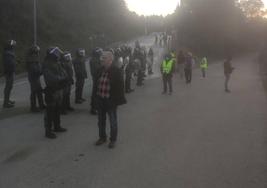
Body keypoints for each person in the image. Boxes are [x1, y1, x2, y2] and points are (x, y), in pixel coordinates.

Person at [94, 51, 126, 149]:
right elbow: (96, 85)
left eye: (104, 58)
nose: (101, 60)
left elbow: (120, 87)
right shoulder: (99, 70)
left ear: (110, 60)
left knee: (113, 121)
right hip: (100, 99)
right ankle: (102, 137)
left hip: (110, 100)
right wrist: (95, 99)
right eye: (101, 58)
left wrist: (116, 101)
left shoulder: (116, 71)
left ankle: (113, 140)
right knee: (101, 121)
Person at [43, 47, 68, 139]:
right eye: (56, 53)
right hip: (51, 90)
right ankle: (48, 131)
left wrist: (61, 78)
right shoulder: (46, 64)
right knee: (50, 111)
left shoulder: (57, 63)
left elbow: (64, 73)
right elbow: (51, 78)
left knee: (57, 109)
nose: (57, 55)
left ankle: (57, 126)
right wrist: (61, 78)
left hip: (58, 89)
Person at [26, 45, 45, 112]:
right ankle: (33, 107)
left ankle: (41, 105)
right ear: (34, 52)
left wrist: (41, 70)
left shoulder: (34, 58)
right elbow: (34, 70)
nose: (38, 53)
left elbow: (38, 67)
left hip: (36, 77)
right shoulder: (31, 59)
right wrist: (42, 71)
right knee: (34, 92)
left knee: (39, 91)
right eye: (37, 52)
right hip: (33, 77)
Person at [2, 40, 16, 108]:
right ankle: (5, 103)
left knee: (9, 87)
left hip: (10, 71)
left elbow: (11, 63)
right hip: (9, 72)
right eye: (12, 46)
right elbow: (8, 64)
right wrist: (10, 71)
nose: (13, 47)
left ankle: (7, 100)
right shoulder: (8, 53)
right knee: (8, 87)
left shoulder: (9, 53)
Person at [90, 47, 103, 115]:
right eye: (99, 52)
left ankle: (96, 106)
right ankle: (93, 108)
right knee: (95, 93)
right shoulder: (94, 60)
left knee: (97, 93)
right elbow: (97, 70)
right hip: (96, 78)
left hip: (98, 77)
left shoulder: (97, 59)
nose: (101, 53)